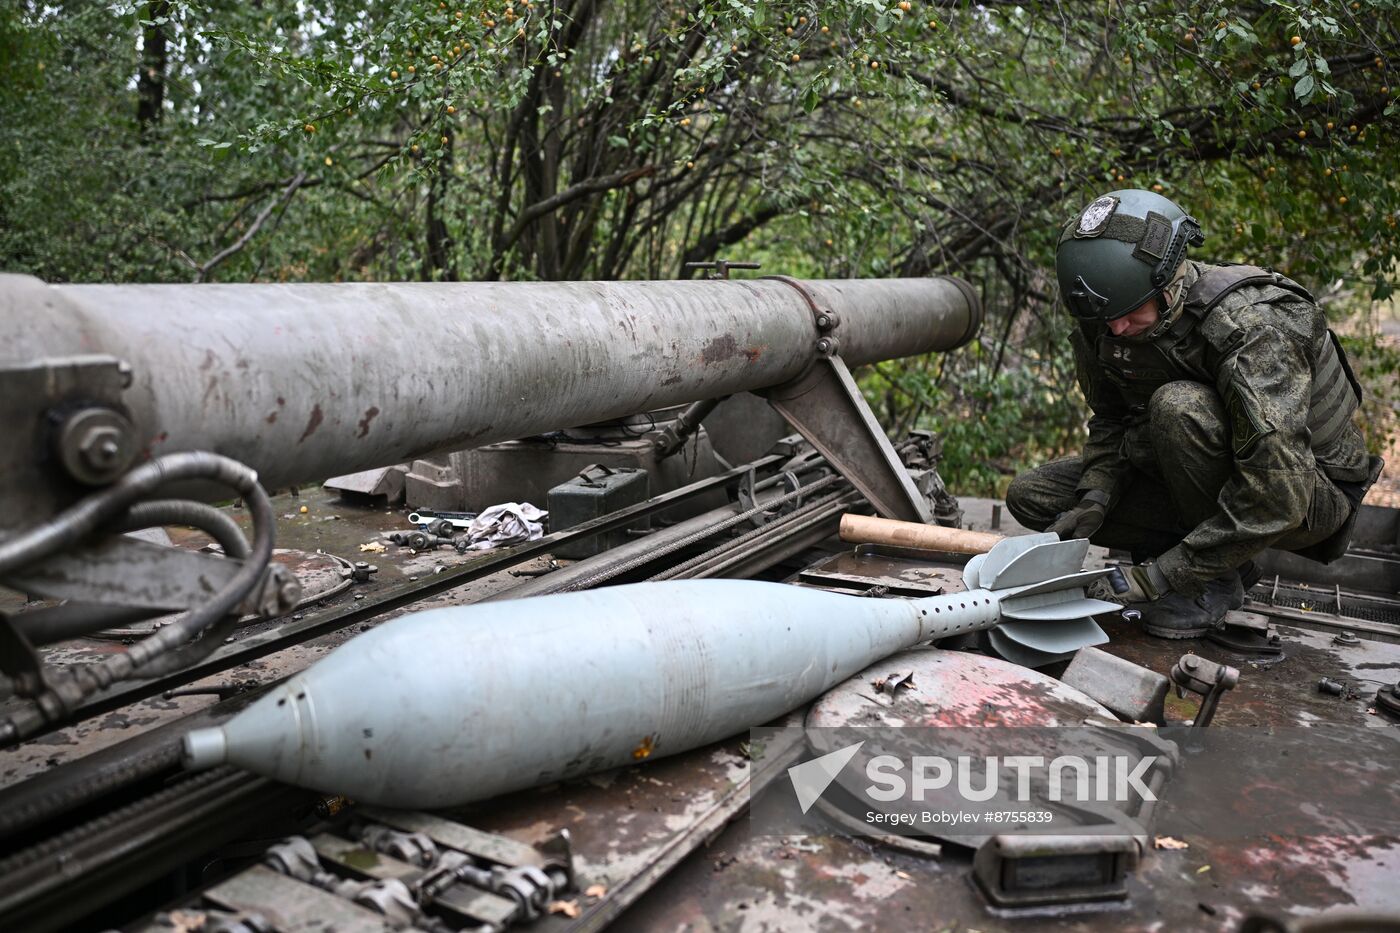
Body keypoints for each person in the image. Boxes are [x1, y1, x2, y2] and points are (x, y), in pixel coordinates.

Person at [1006, 189, 1383, 638]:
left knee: (1178, 406)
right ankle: (1215, 558)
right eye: (1107, 321)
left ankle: (1212, 579)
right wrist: (1096, 495)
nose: (1117, 329)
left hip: (1305, 494)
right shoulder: (1107, 317)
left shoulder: (1252, 328)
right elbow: (1112, 418)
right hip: (1204, 472)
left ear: (1167, 284)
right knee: (1034, 496)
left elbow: (1278, 498)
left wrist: (1160, 577)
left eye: (1128, 315)